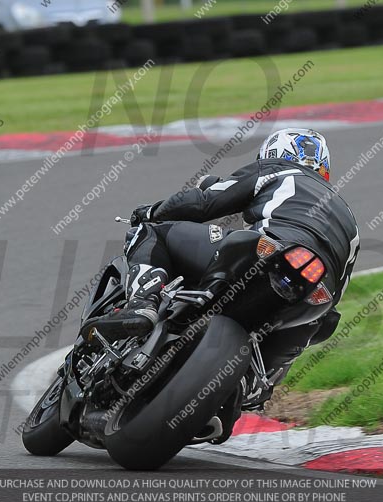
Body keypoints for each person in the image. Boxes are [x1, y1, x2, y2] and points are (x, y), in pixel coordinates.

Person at [81, 127, 360, 410]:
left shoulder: (277, 169)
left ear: (274, 152)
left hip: (268, 251)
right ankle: (256, 383)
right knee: (319, 318)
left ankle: (143, 304)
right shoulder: (349, 217)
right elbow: (335, 303)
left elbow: (204, 202)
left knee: (151, 233)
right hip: (315, 294)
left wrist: (152, 211)